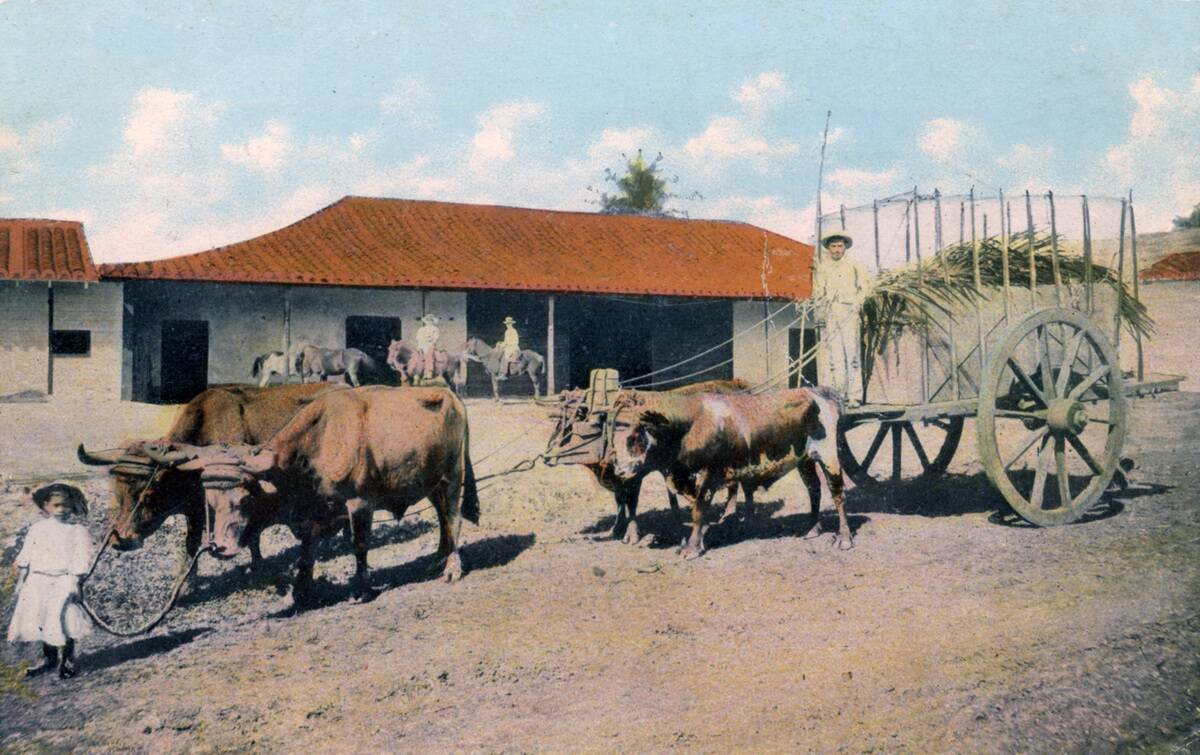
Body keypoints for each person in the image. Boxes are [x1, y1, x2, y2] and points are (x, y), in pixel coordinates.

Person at [7, 482, 94, 680]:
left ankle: (67, 661)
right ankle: (50, 659)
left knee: (64, 619)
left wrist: (75, 582)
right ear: (46, 506)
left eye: (66, 505)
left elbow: (81, 558)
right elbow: (27, 556)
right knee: (42, 619)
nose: (62, 510)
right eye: (56, 505)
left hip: (63, 580)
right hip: (38, 580)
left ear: (72, 506)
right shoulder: (37, 529)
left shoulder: (77, 531)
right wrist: (22, 581)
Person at [814, 231, 872, 406]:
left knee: (852, 356)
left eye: (840, 246)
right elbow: (818, 291)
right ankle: (839, 395)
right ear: (828, 249)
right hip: (832, 313)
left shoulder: (855, 265)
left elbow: (865, 287)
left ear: (845, 247)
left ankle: (854, 396)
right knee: (836, 357)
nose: (837, 250)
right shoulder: (823, 267)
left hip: (850, 313)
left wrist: (857, 303)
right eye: (833, 246)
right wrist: (820, 305)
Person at [415, 313, 441, 379]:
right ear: (426, 321)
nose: (429, 322)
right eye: (428, 320)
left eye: (431, 320)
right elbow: (418, 337)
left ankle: (429, 371)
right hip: (422, 344)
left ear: (433, 321)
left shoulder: (435, 329)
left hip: (430, 344)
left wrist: (431, 340)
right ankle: (417, 372)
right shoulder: (421, 329)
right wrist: (419, 346)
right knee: (417, 357)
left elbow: (436, 337)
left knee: (429, 355)